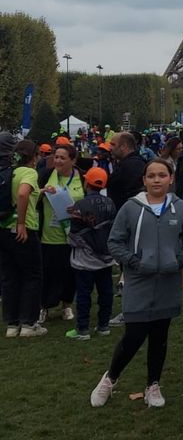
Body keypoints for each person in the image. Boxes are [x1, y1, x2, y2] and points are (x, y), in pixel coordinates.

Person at [90, 158, 183, 408]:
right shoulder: (130, 208)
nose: (157, 180)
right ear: (144, 180)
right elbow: (114, 242)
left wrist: (179, 261)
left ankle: (153, 384)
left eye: (162, 175)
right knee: (134, 335)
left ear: (171, 178)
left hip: (168, 283)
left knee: (160, 336)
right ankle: (110, 378)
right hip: (139, 281)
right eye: (151, 176)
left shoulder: (180, 209)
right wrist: (134, 263)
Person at [0, 138, 45, 337]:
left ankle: (12, 323)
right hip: (24, 229)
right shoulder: (29, 172)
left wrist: (41, 192)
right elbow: (23, 194)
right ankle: (29, 323)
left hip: (3, 229)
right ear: (33, 156)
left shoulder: (11, 172)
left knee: (10, 277)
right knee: (32, 275)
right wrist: (21, 223)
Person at [66, 166, 117, 340]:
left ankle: (83, 329)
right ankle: (103, 325)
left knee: (83, 294)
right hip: (106, 257)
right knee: (106, 292)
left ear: (87, 182)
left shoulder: (79, 204)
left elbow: (73, 234)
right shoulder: (110, 203)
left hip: (84, 259)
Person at [39, 141, 85, 323]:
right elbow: (32, 196)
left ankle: (66, 305)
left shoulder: (81, 178)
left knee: (69, 273)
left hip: (72, 236)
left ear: (72, 161)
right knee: (47, 274)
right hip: (48, 235)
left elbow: (89, 202)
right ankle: (43, 308)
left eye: (62, 158)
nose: (57, 161)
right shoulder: (45, 175)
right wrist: (42, 192)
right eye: (55, 157)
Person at [107, 133, 147, 211]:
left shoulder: (133, 166)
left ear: (123, 146)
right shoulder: (127, 163)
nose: (110, 148)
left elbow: (134, 194)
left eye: (113, 144)